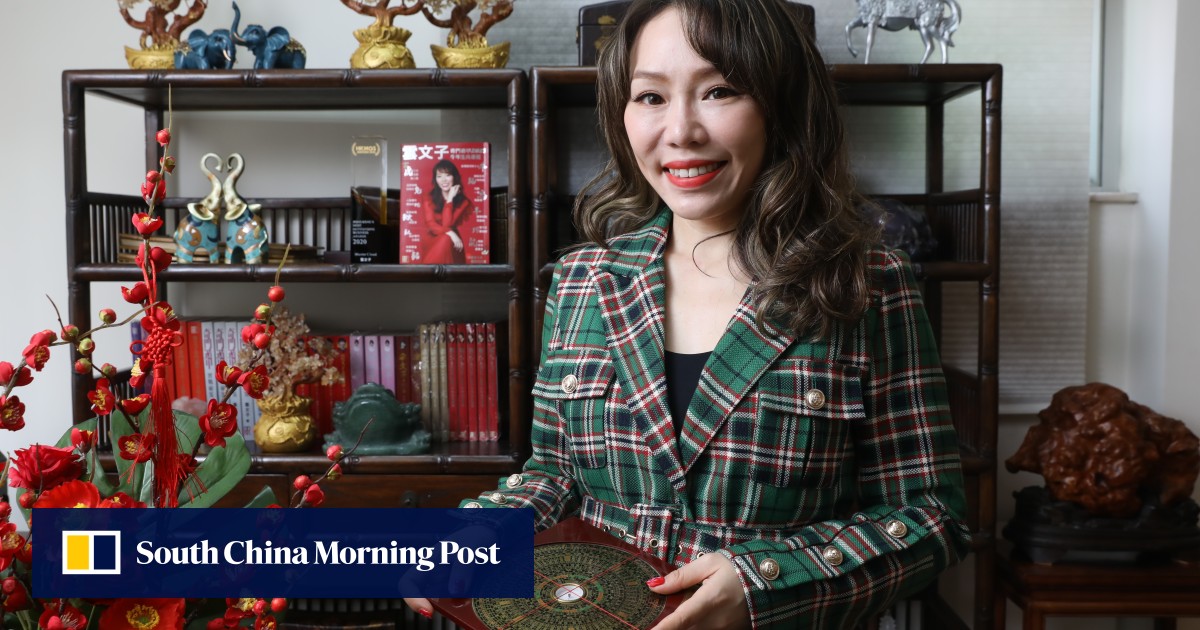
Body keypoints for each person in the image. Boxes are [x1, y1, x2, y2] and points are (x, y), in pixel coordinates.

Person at [405, 0, 970, 627]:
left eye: (719, 91)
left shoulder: (868, 283)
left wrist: (764, 581)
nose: (680, 131)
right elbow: (554, 473)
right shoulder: (583, 279)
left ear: (782, 105)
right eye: (650, 97)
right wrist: (473, 535)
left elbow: (931, 516)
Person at [419, 159, 474, 264]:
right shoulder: (428, 197)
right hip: (433, 239)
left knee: (446, 239)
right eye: (439, 176)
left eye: (448, 175)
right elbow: (431, 224)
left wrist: (449, 200)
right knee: (445, 238)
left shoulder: (463, 202)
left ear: (454, 177)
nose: (444, 180)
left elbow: (447, 224)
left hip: (451, 242)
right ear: (435, 179)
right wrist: (451, 233)